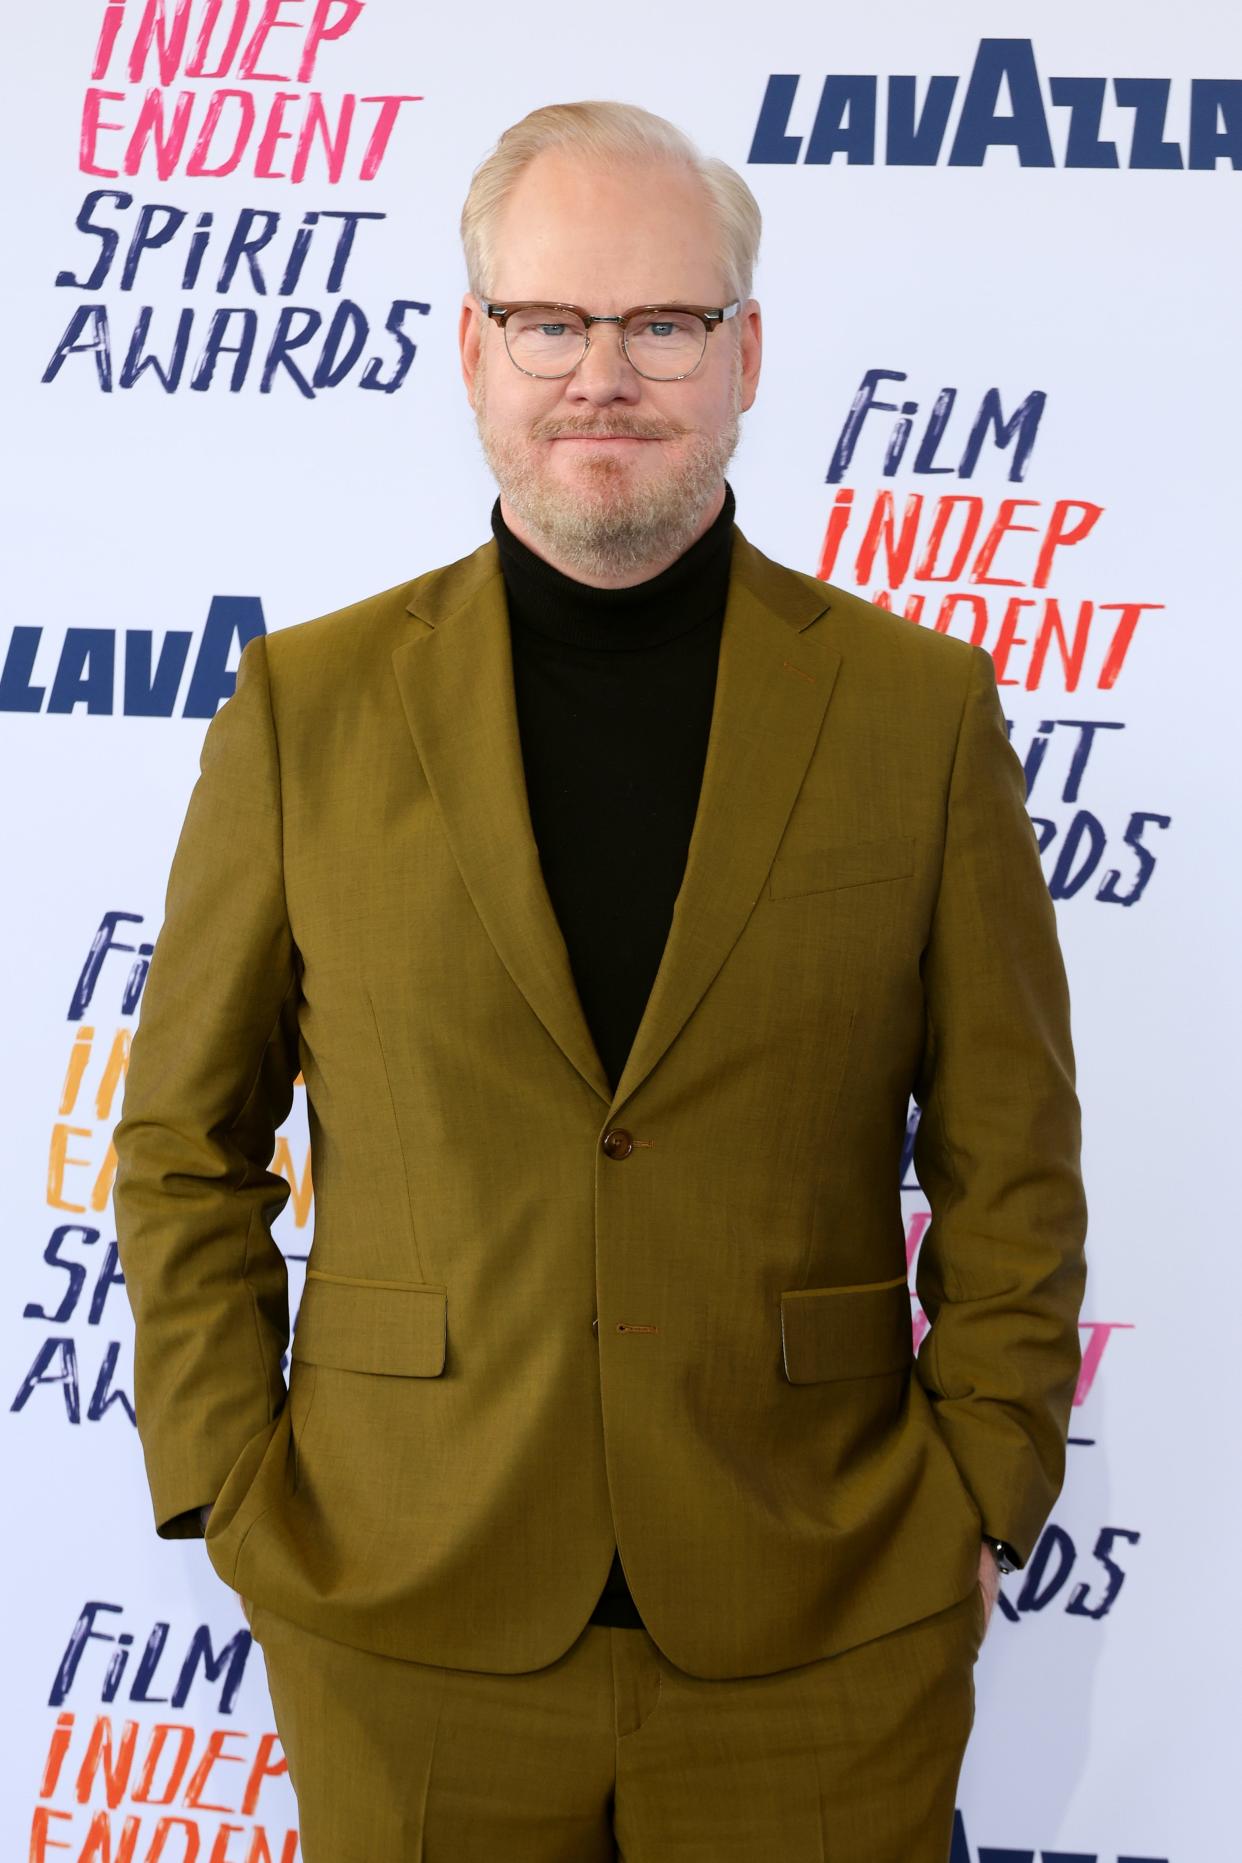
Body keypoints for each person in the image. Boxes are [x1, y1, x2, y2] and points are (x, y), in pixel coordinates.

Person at [112, 99, 1088, 1862]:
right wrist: (232, 1489)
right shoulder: (302, 711)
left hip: (826, 1619)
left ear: (745, 355)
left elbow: (1010, 1151)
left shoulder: (915, 712)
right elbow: (183, 1145)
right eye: (552, 323)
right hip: (401, 1612)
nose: (604, 375)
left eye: (664, 323)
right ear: (474, 351)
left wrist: (982, 1487)